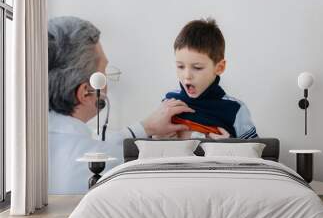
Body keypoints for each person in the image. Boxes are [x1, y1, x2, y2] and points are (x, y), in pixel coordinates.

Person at [48, 16, 193, 194]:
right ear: (86, 92)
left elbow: (100, 141)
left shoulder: (36, 143)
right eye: (104, 72)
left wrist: (146, 127)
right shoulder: (107, 163)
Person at [163, 18, 258, 139]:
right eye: (180, 66)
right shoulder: (169, 102)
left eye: (197, 68)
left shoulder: (235, 109)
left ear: (219, 67)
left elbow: (255, 152)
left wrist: (230, 145)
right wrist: (155, 138)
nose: (187, 75)